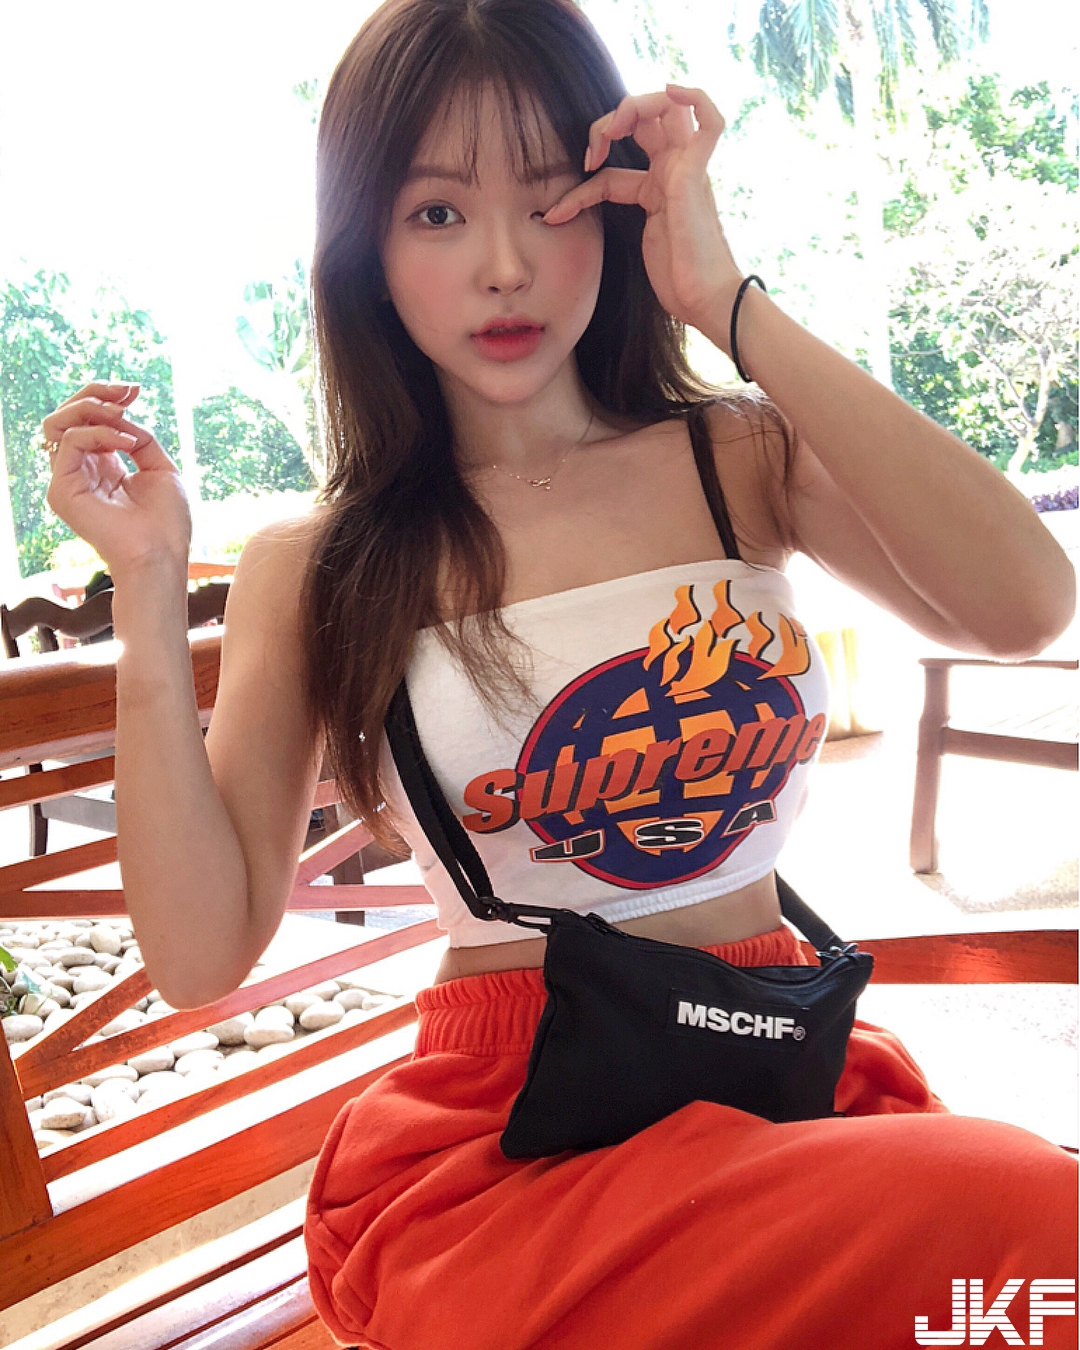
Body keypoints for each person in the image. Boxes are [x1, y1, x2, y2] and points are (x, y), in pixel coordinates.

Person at [41, 0, 1076, 1346]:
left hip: (775, 1066)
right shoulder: (325, 560)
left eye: (551, 202)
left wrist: (726, 300)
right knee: (1032, 1221)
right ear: (367, 250)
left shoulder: (736, 459)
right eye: (437, 214)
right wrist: (146, 581)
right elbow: (198, 954)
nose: (505, 267)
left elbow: (1025, 603)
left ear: (623, 206)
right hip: (520, 1144)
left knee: (1018, 1278)